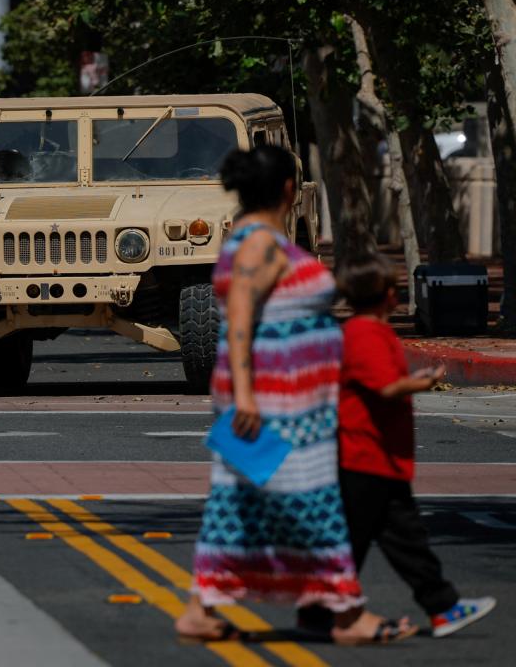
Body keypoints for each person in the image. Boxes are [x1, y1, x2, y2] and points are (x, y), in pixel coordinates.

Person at [175, 145, 417, 645]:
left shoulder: (256, 238)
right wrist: (245, 398)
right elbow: (239, 314)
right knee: (315, 507)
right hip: (273, 406)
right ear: (289, 188)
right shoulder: (259, 244)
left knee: (241, 508)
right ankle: (347, 616)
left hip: (282, 403)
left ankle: (201, 609)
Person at [317, 253, 495, 637]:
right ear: (387, 295)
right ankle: (439, 606)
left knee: (398, 540)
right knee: (363, 541)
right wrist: (425, 381)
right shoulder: (366, 335)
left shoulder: (367, 333)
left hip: (380, 459)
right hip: (366, 457)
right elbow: (385, 387)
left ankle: (440, 606)